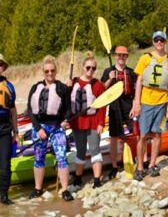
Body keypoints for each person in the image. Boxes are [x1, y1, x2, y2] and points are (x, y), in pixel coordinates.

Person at [131, 31, 168, 181]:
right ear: (153, 41)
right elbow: (139, 81)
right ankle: (139, 167)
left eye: (162, 40)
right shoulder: (145, 58)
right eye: (157, 40)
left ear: (165, 42)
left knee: (157, 134)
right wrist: (136, 103)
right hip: (146, 101)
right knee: (143, 135)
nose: (159, 42)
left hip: (162, 101)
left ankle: (152, 164)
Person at [28, 55, 73, 201]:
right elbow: (30, 110)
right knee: (39, 158)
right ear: (43, 72)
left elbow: (68, 110)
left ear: (56, 71)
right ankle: (38, 188)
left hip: (57, 128)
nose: (50, 74)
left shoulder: (62, 88)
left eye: (52, 71)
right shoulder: (35, 87)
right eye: (47, 71)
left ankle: (65, 190)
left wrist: (65, 120)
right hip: (39, 128)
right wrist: (38, 129)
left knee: (61, 157)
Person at [68, 52, 106, 188]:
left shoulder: (98, 85)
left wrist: (101, 123)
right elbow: (65, 101)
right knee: (80, 150)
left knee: (95, 149)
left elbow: (102, 106)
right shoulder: (72, 83)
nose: (90, 71)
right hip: (77, 123)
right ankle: (78, 178)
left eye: (93, 68)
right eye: (88, 67)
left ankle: (96, 180)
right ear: (83, 67)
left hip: (93, 122)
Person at [101, 46, 137, 179]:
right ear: (115, 56)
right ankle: (114, 166)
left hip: (128, 107)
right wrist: (110, 79)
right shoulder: (108, 71)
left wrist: (135, 106)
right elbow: (101, 91)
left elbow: (135, 91)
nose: (121, 57)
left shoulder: (131, 72)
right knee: (114, 138)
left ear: (127, 57)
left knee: (136, 133)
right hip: (115, 108)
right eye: (119, 55)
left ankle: (139, 160)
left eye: (124, 55)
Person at [0, 54, 18, 205]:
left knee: (5, 164)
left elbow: (13, 111)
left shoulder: (9, 86)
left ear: (3, 67)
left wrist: (16, 133)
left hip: (5, 129)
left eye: (0, 64)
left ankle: (4, 195)